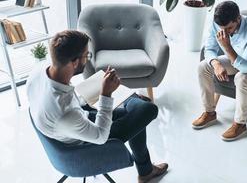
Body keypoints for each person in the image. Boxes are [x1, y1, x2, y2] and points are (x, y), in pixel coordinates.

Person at [26, 30, 168, 183]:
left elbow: (67, 103)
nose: (88, 59)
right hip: (85, 144)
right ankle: (145, 168)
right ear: (74, 62)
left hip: (70, 125)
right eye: (87, 56)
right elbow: (100, 137)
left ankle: (146, 170)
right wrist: (106, 94)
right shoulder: (65, 113)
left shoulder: (39, 71)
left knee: (138, 110)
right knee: (148, 108)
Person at [192, 1, 247, 141]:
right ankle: (210, 112)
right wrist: (216, 63)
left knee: (242, 77)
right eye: (222, 28)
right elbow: (209, 49)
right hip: (235, 60)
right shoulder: (217, 24)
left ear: (238, 18)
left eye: (229, 28)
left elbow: (246, 67)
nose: (225, 32)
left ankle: (240, 124)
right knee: (203, 67)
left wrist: (227, 46)